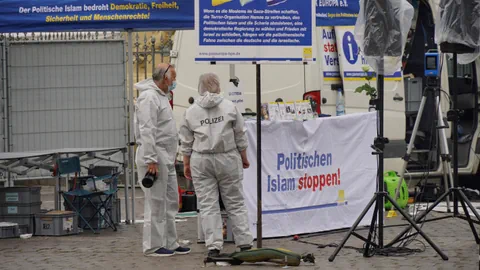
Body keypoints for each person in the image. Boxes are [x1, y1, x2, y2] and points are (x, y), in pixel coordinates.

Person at [179, 73, 254, 257]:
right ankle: (244, 242)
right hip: (227, 156)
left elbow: (186, 141)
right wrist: (244, 156)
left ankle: (213, 246)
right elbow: (240, 134)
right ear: (218, 86)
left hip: (201, 159)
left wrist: (186, 163)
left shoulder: (191, 111)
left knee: (207, 204)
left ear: (200, 87)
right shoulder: (229, 106)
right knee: (235, 201)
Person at [134, 63, 191, 257]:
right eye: (173, 77)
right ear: (164, 78)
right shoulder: (149, 98)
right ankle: (153, 245)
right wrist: (151, 159)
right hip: (155, 157)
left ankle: (170, 242)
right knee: (156, 202)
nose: (174, 81)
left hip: (165, 156)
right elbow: (147, 129)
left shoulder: (161, 97)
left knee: (170, 201)